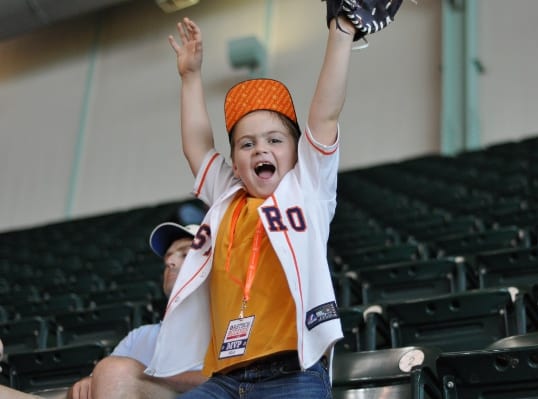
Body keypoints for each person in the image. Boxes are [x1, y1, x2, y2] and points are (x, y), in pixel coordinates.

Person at [145, 9, 358, 399]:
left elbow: (325, 114)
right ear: (236, 164)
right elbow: (196, 146)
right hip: (225, 378)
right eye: (247, 144)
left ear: (298, 152)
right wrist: (190, 76)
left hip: (293, 373)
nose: (261, 147)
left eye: (275, 139)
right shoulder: (226, 196)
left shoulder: (308, 188)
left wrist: (341, 32)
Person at [0, 223, 205, 399]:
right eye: (167, 258)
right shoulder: (139, 336)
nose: (170, 262)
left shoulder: (224, 322)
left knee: (114, 371)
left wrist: (138, 377)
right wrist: (83, 385)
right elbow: (92, 386)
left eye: (185, 254)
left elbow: (230, 384)